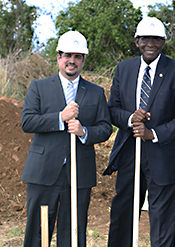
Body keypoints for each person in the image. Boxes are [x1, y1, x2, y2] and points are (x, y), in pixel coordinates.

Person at [103, 17, 175, 246]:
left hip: (164, 156)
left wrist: (152, 133)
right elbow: (112, 109)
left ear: (163, 42)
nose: (150, 44)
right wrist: (129, 119)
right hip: (129, 154)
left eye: (156, 39)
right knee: (123, 214)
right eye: (145, 39)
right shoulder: (123, 69)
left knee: (163, 220)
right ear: (137, 41)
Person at [21, 30, 112, 247]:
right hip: (43, 172)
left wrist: (84, 132)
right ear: (58, 58)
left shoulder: (95, 92)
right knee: (37, 232)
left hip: (79, 173)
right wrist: (60, 118)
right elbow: (28, 122)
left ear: (83, 60)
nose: (72, 61)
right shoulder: (39, 87)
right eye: (67, 56)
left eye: (77, 56)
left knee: (73, 231)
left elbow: (105, 128)